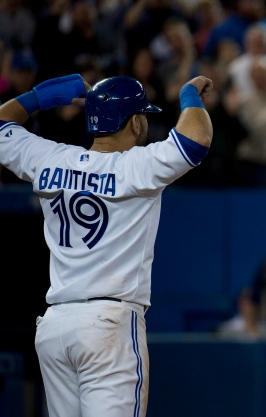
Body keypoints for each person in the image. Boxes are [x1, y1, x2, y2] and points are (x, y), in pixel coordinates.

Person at [0, 72, 214, 416]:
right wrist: (189, 95)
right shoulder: (137, 167)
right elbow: (197, 138)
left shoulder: (50, 158)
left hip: (56, 326)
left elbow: (1, 125)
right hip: (108, 323)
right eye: (142, 115)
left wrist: (39, 98)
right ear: (133, 123)